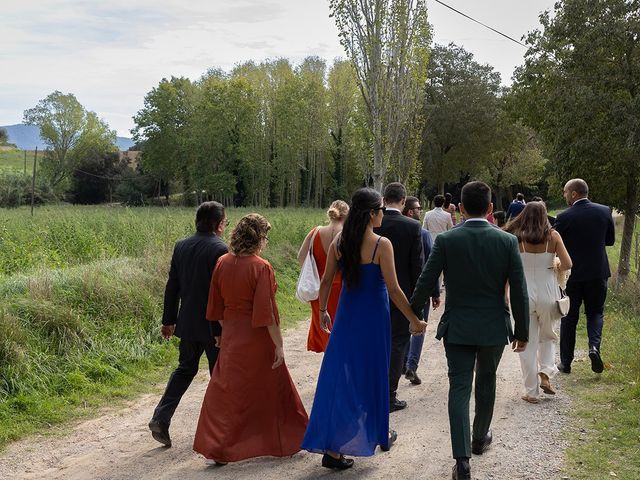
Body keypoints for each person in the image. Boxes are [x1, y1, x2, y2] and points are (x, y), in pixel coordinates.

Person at [410, 181, 529, 480]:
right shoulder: (506, 242)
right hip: (492, 328)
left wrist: (411, 311)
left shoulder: (447, 240)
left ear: (460, 209)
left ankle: (462, 461)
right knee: (487, 381)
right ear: (490, 209)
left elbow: (426, 281)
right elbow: (519, 289)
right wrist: (522, 331)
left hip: (458, 328)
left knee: (459, 388)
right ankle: (479, 437)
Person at [302, 188, 427, 470]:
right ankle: (376, 434)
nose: (383, 213)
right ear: (371, 213)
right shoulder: (381, 244)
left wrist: (322, 312)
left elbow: (326, 281)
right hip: (373, 319)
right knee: (373, 373)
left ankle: (338, 445)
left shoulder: (340, 241)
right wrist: (414, 320)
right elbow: (394, 290)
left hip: (346, 316)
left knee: (342, 375)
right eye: (380, 209)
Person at [193, 214, 308, 464]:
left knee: (228, 392)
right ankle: (288, 439)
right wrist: (279, 345)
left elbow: (216, 307)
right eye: (265, 237)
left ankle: (219, 447)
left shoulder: (222, 262)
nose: (266, 242)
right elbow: (267, 315)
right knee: (273, 389)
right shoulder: (260, 266)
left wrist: (226, 332)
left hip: (232, 334)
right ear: (259, 238)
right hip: (257, 337)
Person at [148, 201, 228, 447]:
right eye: (225, 221)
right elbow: (219, 294)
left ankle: (161, 418)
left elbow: (173, 286)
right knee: (220, 377)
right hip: (213, 327)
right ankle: (218, 435)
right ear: (218, 224)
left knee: (184, 369)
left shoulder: (181, 246)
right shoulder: (221, 250)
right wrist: (220, 330)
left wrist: (168, 320)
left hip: (188, 323)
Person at [505, 202, 572, 403]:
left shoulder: (516, 239)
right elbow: (568, 264)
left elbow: (507, 270)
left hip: (523, 294)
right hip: (548, 292)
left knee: (526, 341)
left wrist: (505, 292)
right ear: (544, 216)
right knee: (548, 336)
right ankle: (545, 372)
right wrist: (555, 263)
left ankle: (531, 392)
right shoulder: (553, 236)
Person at [554, 179, 615, 374]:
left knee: (569, 317)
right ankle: (594, 347)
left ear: (573, 194)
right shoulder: (604, 211)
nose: (564, 195)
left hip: (572, 275)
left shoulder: (563, 217)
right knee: (595, 313)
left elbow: (556, 247)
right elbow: (610, 241)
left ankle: (566, 363)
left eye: (565, 192)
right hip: (598, 272)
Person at [374, 182, 425, 411]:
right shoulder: (412, 226)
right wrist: (417, 301)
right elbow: (418, 266)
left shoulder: (374, 223)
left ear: (384, 199)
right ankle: (390, 394)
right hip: (402, 292)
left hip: (373, 290)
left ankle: (372, 388)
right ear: (403, 201)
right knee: (398, 343)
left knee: (376, 341)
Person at [297, 200, 349, 353]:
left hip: (320, 290)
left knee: (325, 330)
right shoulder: (347, 235)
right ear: (346, 215)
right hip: (342, 288)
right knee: (343, 331)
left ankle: (330, 361)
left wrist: (314, 272)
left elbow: (301, 257)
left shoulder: (315, 232)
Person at [402, 196, 440, 385]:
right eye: (418, 208)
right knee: (419, 327)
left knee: (401, 326)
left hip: (398, 289)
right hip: (419, 290)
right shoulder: (423, 234)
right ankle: (411, 365)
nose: (420, 211)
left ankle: (402, 361)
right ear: (410, 211)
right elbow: (430, 267)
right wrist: (435, 292)